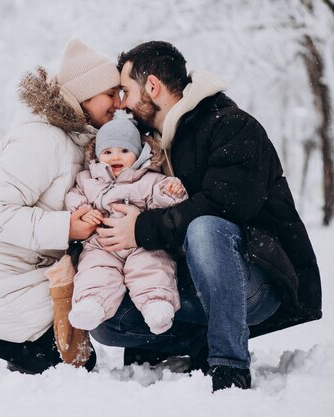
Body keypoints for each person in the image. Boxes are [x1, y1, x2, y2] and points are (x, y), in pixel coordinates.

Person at [92, 41, 322, 391]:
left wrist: (140, 228)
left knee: (206, 228)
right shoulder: (145, 146)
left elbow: (223, 205)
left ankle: (229, 366)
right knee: (109, 324)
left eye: (126, 90)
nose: (121, 102)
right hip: (189, 288)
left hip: (255, 283)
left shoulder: (230, 126)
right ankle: (193, 342)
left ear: (152, 86)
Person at [0, 38, 122, 384]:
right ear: (86, 94)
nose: (118, 103)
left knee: (76, 356)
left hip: (30, 272)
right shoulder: (42, 139)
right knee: (67, 363)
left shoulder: (75, 139)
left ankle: (15, 342)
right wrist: (66, 227)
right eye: (111, 93)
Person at [64, 117, 186, 335]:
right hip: (102, 245)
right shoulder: (88, 179)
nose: (115, 157)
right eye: (108, 152)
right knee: (95, 269)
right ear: (97, 155)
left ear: (138, 155)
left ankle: (156, 305)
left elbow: (163, 202)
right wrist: (84, 210)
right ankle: (91, 304)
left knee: (151, 267)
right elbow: (73, 196)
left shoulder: (149, 180)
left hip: (142, 244)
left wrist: (170, 191)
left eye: (124, 150)